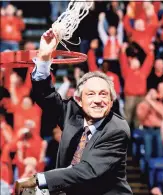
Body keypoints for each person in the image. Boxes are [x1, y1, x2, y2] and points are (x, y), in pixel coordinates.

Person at [14, 29, 132, 195]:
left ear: (112, 101)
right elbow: (45, 95)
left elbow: (86, 170)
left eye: (103, 94)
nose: (97, 100)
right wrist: (44, 57)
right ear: (80, 100)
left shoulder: (117, 128)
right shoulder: (72, 114)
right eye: (91, 94)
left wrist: (40, 180)